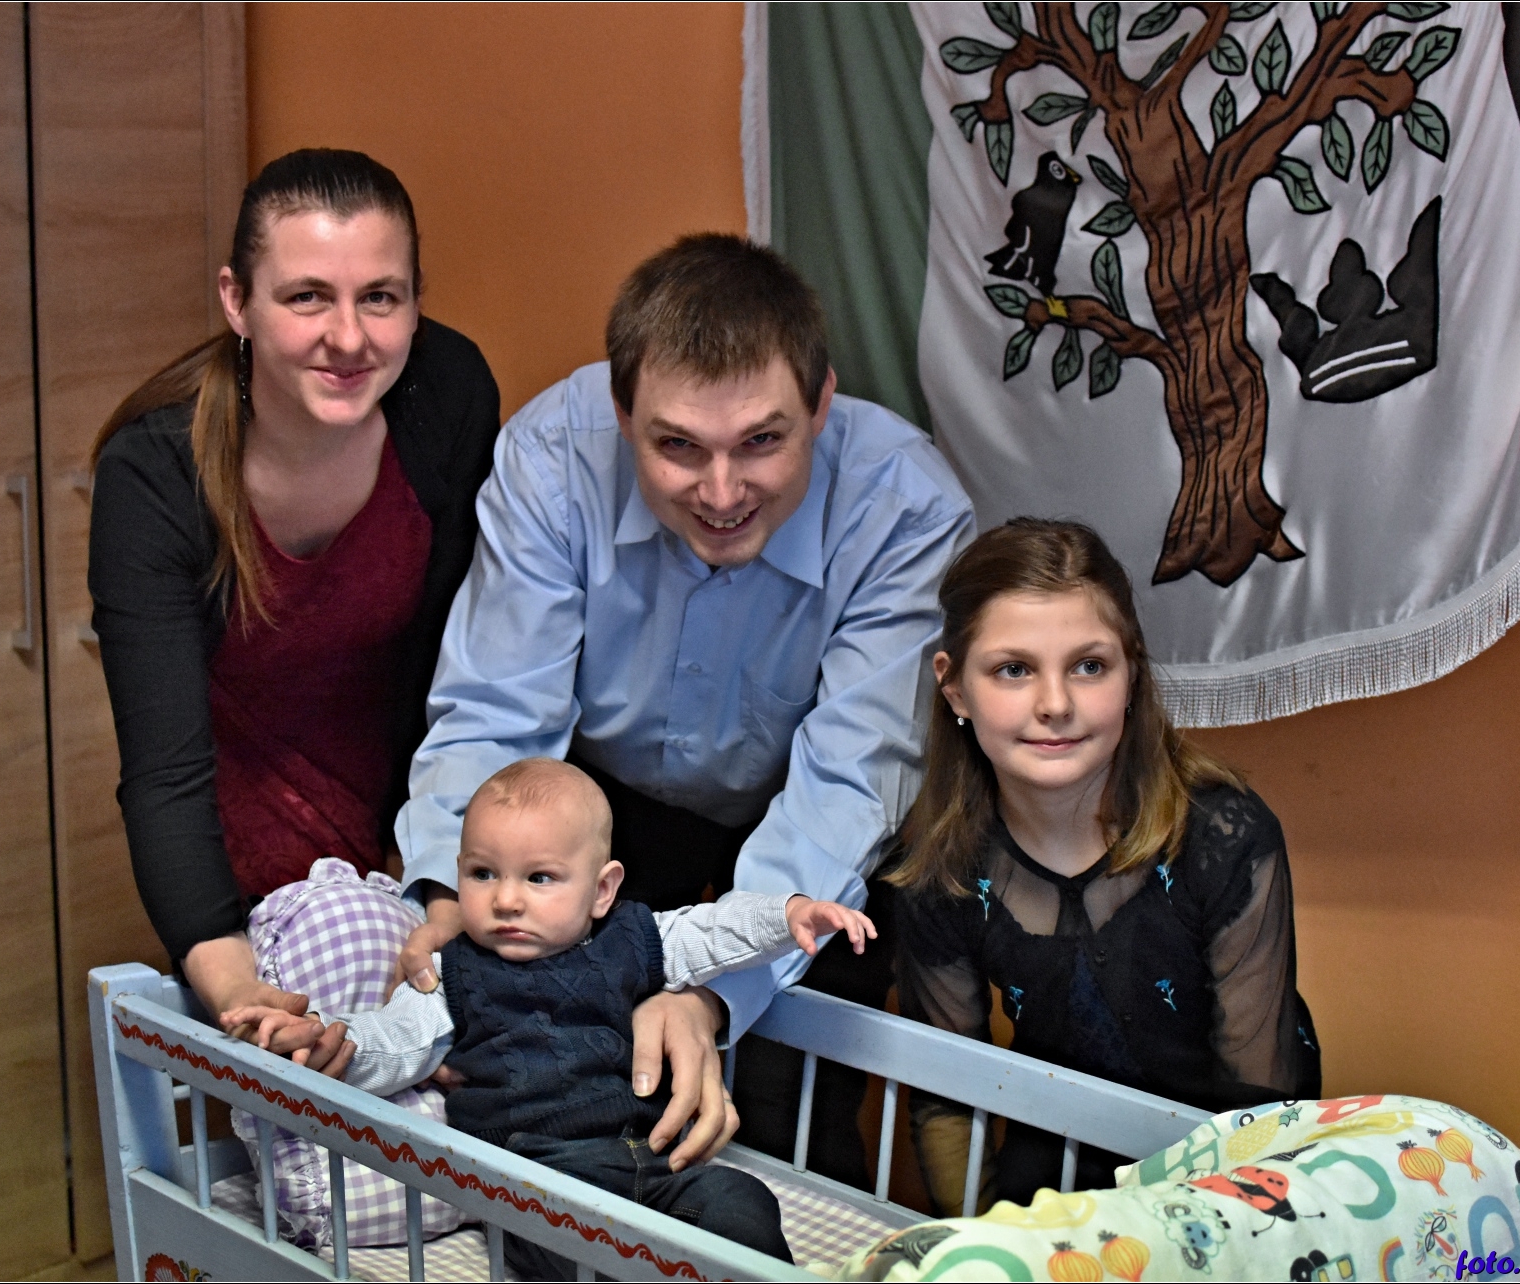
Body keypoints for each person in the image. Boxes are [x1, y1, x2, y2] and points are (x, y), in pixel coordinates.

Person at [392, 233, 976, 1177]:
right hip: (609, 811)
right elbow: (497, 714)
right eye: (677, 447)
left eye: (762, 442)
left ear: (821, 404)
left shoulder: (907, 507)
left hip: (813, 820)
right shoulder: (551, 456)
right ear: (622, 413)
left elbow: (850, 780)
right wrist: (452, 901)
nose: (722, 491)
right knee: (576, 1096)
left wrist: (707, 995)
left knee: (788, 1128)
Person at [89, 149, 501, 1076]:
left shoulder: (449, 396)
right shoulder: (156, 473)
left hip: (412, 844)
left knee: (450, 1110)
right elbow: (164, 769)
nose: (348, 338)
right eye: (307, 297)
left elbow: (461, 664)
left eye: (381, 297)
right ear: (237, 301)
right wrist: (231, 979)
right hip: (233, 874)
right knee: (292, 1139)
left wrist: (438, 874)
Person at [228, 758, 876, 1279]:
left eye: (539, 878)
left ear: (602, 889)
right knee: (580, 1248)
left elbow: (710, 931)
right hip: (537, 1187)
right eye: (484, 874)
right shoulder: (456, 975)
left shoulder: (632, 939)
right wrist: (326, 1040)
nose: (507, 899)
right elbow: (395, 1041)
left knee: (740, 1199)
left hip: (655, 1166)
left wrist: (790, 914)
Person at [887, 519, 1320, 1213]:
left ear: (1132, 673)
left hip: (1221, 1193)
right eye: (1013, 669)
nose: (1055, 705)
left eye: (1089, 666)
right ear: (955, 687)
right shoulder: (942, 865)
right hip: (1051, 1184)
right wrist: (985, 1249)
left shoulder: (1224, 836)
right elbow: (948, 1102)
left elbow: (1257, 1112)